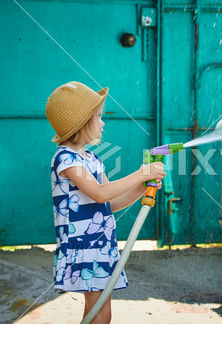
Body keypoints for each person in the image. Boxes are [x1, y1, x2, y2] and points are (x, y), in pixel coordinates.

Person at [45, 81, 165, 324]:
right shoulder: (65, 159)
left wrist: (141, 188)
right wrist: (141, 174)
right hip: (83, 247)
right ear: (81, 122)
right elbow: (99, 193)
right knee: (99, 314)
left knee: (99, 313)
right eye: (98, 116)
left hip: (99, 245)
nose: (103, 122)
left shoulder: (91, 158)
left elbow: (109, 202)